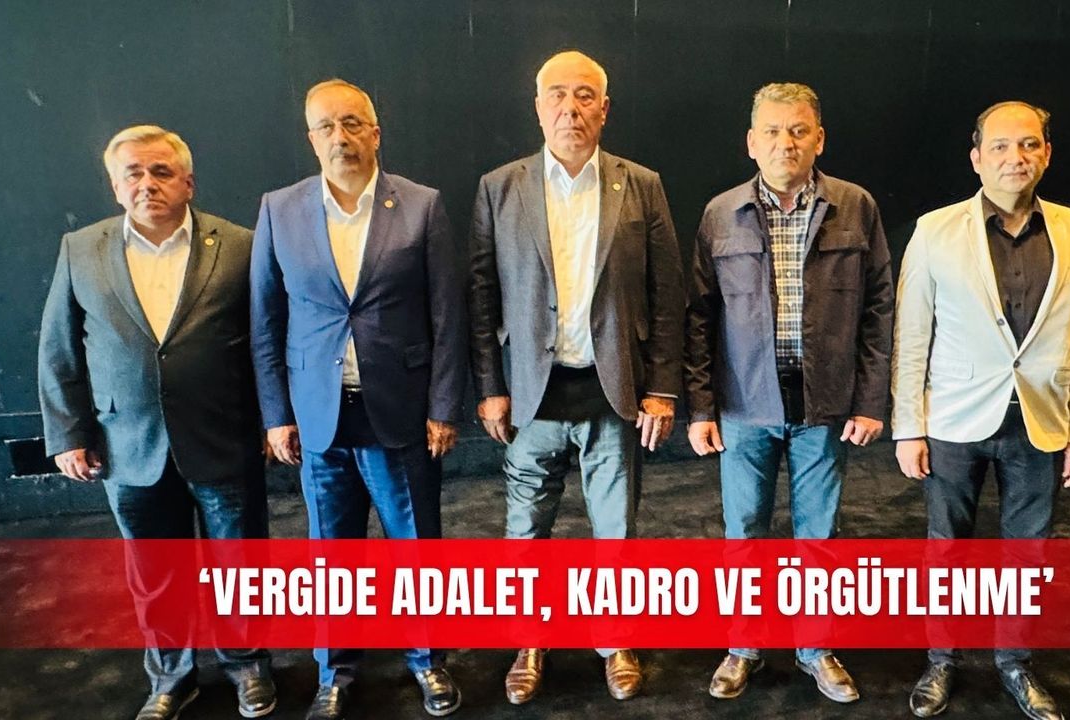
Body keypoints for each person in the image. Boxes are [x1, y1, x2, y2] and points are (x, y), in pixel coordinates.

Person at [467, 50, 685, 704]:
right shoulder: (499, 187)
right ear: (538, 107)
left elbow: (667, 293)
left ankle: (615, 642)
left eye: (585, 95)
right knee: (526, 532)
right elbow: (481, 293)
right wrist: (490, 387)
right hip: (532, 395)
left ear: (604, 109)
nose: (571, 108)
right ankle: (529, 644)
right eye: (557, 95)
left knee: (615, 532)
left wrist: (661, 389)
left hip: (613, 392)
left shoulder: (640, 185)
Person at [38, 125, 276, 720]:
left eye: (161, 171)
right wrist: (69, 433)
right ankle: (171, 677)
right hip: (128, 445)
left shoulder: (242, 245)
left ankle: (248, 666)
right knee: (155, 572)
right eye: (134, 174)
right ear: (115, 186)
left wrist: (274, 420)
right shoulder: (81, 249)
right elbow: (59, 348)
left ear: (188, 182)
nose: (148, 184)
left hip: (224, 437)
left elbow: (266, 342)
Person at [250, 79, 468, 719]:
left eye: (352, 123)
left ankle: (428, 662)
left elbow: (448, 315)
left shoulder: (421, 206)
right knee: (331, 555)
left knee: (416, 545)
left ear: (375, 132)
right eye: (326, 126)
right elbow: (265, 320)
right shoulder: (279, 210)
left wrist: (443, 406)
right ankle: (336, 673)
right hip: (318, 415)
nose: (339, 137)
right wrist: (276, 415)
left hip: (401, 412)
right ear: (310, 137)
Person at [891, 100, 1070, 720]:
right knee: (947, 550)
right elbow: (911, 336)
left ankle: (1015, 663)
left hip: (1042, 421)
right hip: (952, 419)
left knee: (1028, 553)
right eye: (1002, 146)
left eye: (1030, 144)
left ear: (1047, 153)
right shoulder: (935, 230)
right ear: (977, 157)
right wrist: (908, 427)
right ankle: (942, 661)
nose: (1017, 156)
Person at [683, 82, 894, 704]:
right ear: (751, 142)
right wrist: (700, 407)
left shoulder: (856, 206)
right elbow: (699, 317)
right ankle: (743, 647)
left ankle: (815, 648)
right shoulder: (721, 213)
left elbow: (879, 308)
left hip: (825, 404)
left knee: (818, 535)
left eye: (799, 131)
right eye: (772, 132)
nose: (786, 143)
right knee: (744, 530)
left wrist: (870, 401)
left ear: (818, 139)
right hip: (744, 406)